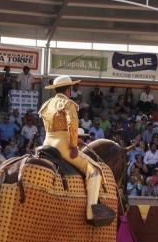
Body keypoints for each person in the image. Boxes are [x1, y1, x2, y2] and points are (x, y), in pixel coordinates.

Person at [39, 75, 115, 226]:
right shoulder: (68, 104)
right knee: (94, 170)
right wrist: (73, 146)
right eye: (71, 88)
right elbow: (72, 126)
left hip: (47, 142)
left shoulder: (47, 104)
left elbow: (54, 128)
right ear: (69, 90)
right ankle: (91, 212)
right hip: (63, 146)